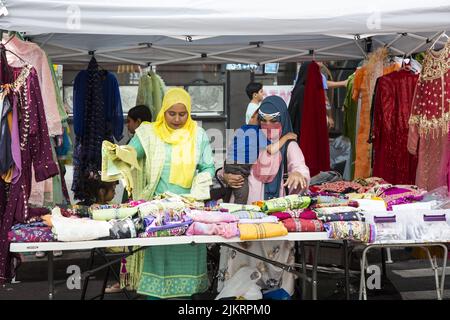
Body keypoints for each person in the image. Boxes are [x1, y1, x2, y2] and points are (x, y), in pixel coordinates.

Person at [103, 88, 215, 298]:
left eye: (182, 114)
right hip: (158, 212)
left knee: (186, 260)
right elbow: (132, 152)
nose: (177, 119)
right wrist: (117, 153)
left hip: (188, 210)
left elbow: (208, 167)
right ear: (163, 111)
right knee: (158, 260)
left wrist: (199, 186)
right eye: (172, 113)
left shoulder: (197, 135)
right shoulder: (150, 133)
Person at [218, 95, 310, 297]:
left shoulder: (289, 146)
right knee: (240, 280)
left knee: (274, 273)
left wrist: (297, 175)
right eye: (264, 121)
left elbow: (301, 169)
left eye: (274, 121)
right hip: (243, 220)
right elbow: (227, 166)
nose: (268, 126)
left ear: (283, 120)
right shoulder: (249, 138)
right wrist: (225, 176)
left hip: (275, 223)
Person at [224, 109, 297, 204]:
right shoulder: (257, 132)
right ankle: (239, 211)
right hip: (239, 168)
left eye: (273, 121)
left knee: (234, 190)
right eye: (262, 120)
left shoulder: (241, 129)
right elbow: (271, 149)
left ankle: (226, 204)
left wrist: (225, 174)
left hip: (230, 164)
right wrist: (285, 137)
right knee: (242, 194)